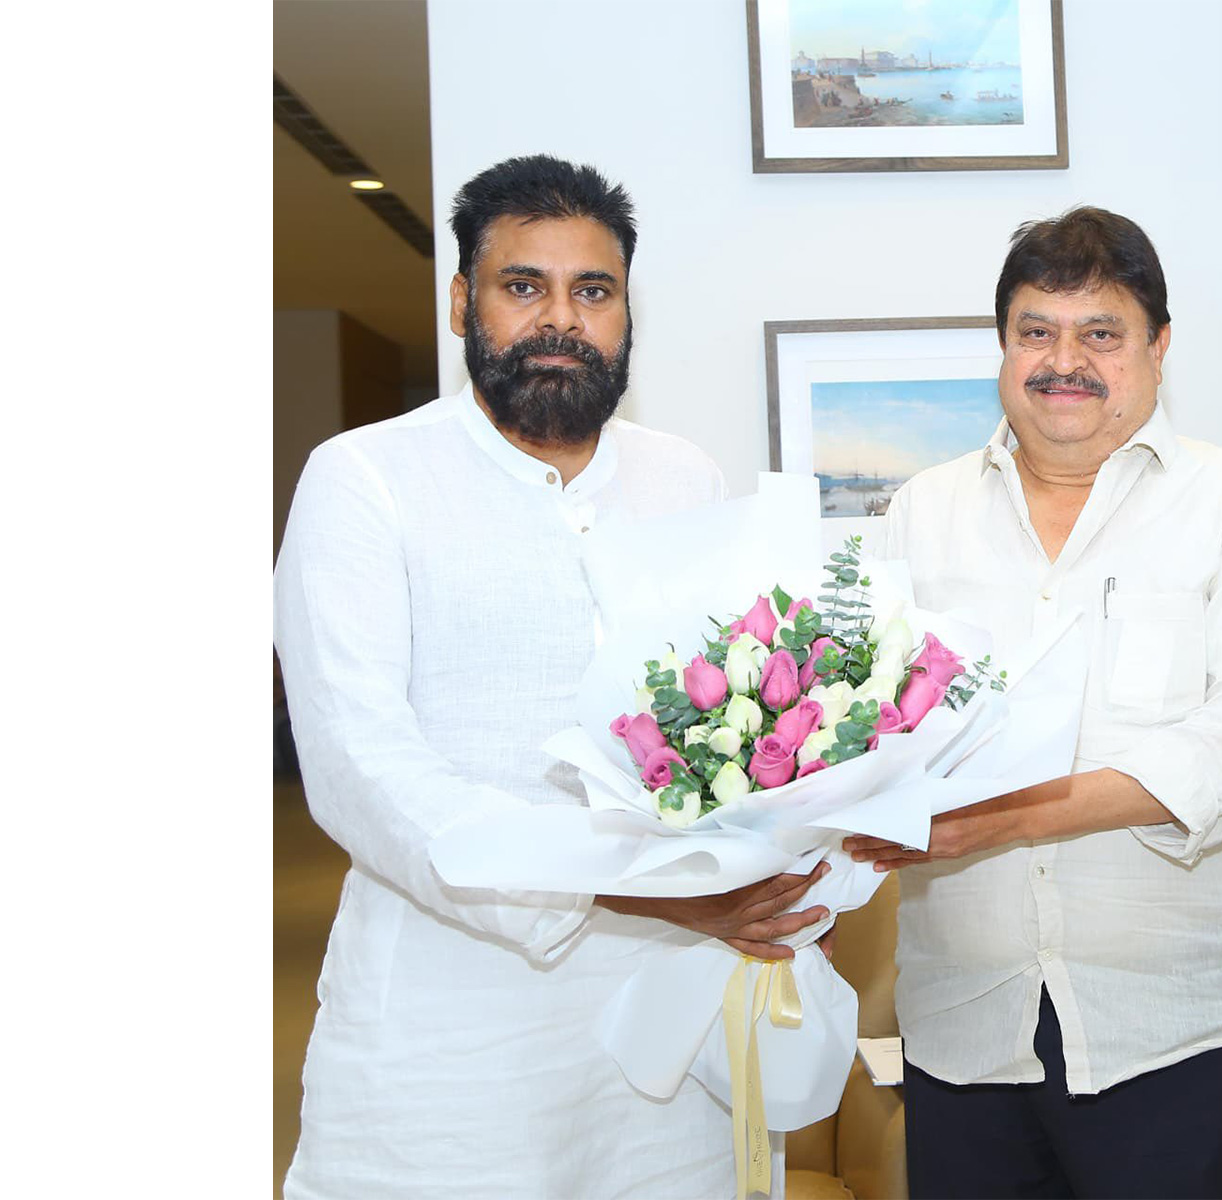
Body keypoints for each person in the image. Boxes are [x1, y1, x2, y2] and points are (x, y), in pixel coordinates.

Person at [275, 154, 829, 1199]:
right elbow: (361, 768)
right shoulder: (367, 481)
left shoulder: (683, 478)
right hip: (450, 1035)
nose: (559, 319)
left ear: (626, 311)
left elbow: (745, 724)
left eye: (593, 291)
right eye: (522, 286)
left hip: (666, 1027)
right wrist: (637, 892)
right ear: (461, 303)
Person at [845, 206, 1222, 1199]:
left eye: (1100, 332)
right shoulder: (917, 513)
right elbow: (861, 733)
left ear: (1158, 346)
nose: (1066, 361)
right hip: (964, 1038)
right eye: (1036, 333)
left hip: (1177, 1037)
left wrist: (996, 819)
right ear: (1004, 346)